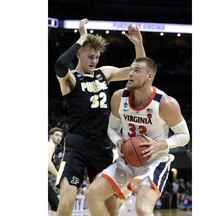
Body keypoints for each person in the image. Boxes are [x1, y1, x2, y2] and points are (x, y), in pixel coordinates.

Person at [54, 18, 145, 216]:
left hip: (102, 145)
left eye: (96, 57)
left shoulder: (104, 73)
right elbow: (60, 63)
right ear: (79, 54)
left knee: (111, 209)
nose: (94, 61)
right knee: (66, 203)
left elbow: (138, 73)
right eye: (90, 57)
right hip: (77, 144)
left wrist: (139, 45)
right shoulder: (70, 78)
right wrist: (83, 37)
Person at [85, 57, 190, 216]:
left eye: (136, 70)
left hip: (154, 161)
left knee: (142, 209)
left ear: (149, 76)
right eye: (131, 69)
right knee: (92, 194)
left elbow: (184, 136)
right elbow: (112, 129)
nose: (130, 73)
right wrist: (118, 141)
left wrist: (160, 145)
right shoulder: (119, 98)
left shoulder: (165, 103)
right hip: (126, 160)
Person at [48, 127, 64, 216]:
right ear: (51, 136)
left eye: (61, 136)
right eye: (56, 135)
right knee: (55, 202)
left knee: (55, 202)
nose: (59, 137)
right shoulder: (50, 145)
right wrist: (58, 175)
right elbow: (47, 162)